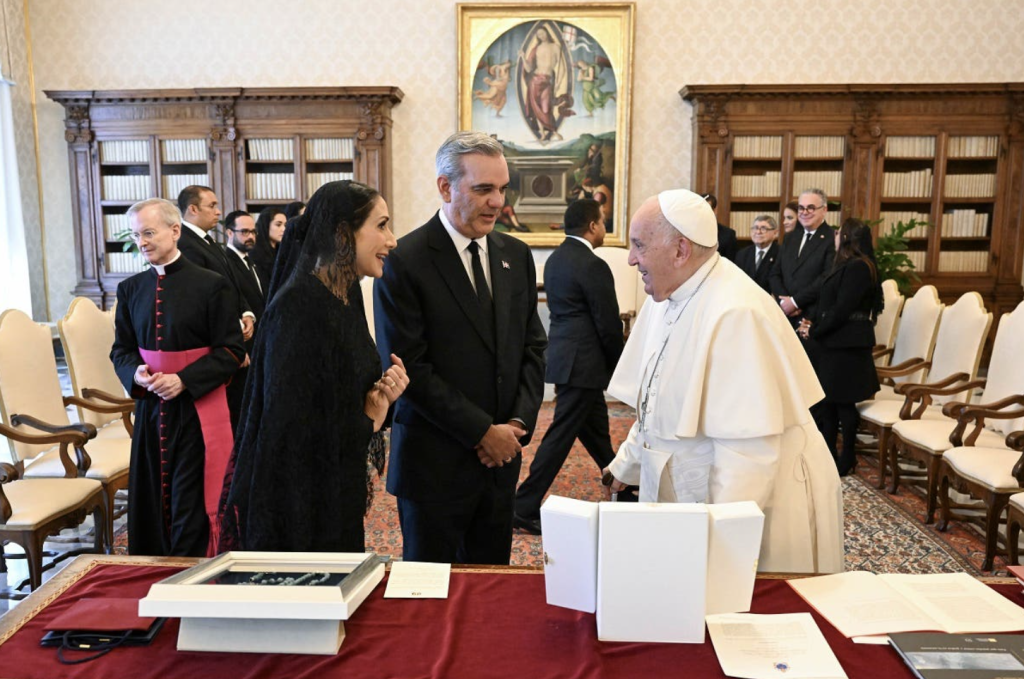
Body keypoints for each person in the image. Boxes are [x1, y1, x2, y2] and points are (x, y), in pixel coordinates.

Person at [602, 189, 843, 574]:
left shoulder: (735, 312)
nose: (631, 259)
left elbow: (748, 457)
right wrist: (628, 463)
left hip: (755, 505)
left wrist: (718, 555)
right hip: (687, 496)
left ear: (680, 250)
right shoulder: (667, 296)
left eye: (639, 246)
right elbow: (656, 401)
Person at [374, 131, 547, 564]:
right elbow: (408, 367)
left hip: (501, 463)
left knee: (491, 592)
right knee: (429, 601)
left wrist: (516, 425)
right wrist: (482, 432)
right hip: (434, 469)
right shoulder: (405, 259)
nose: (497, 202)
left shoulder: (516, 255)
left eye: (502, 188)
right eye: (484, 189)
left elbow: (532, 348)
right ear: (445, 187)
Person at [220, 181, 408, 552]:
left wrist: (384, 397)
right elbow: (291, 430)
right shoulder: (297, 309)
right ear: (342, 232)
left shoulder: (343, 294)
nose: (392, 240)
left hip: (333, 489)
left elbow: (343, 394)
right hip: (297, 509)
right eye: (382, 225)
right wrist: (368, 418)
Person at [111, 198, 245, 557]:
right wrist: (135, 373)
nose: (142, 242)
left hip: (198, 413)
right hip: (152, 414)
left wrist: (184, 379)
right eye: (137, 235)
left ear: (175, 230)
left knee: (191, 499)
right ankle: (155, 572)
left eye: (149, 233)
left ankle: (194, 576)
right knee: (153, 497)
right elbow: (120, 350)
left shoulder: (212, 286)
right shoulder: (130, 290)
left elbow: (232, 351)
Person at [513, 199, 625, 534]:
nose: (603, 229)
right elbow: (607, 323)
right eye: (603, 222)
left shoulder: (556, 260)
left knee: (598, 436)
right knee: (560, 436)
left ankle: (625, 486)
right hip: (585, 364)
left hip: (566, 359)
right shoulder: (593, 264)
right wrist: (620, 364)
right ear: (592, 225)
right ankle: (524, 505)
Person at [799, 219, 882, 477]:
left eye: (838, 232)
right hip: (835, 343)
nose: (834, 235)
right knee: (828, 405)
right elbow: (830, 305)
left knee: (843, 405)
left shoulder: (859, 267)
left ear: (846, 237)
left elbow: (843, 309)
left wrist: (814, 330)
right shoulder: (845, 265)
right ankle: (828, 456)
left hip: (848, 345)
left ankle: (846, 457)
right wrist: (815, 324)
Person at [175, 185, 253, 428]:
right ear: (193, 209)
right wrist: (234, 337)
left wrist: (246, 312)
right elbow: (206, 298)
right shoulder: (186, 244)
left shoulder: (208, 240)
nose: (219, 212)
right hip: (220, 339)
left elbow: (230, 284)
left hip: (235, 327)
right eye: (212, 206)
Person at [769, 189, 836, 328]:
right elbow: (775, 274)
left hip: (812, 317)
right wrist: (785, 303)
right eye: (801, 208)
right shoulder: (790, 238)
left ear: (824, 210)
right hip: (784, 315)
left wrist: (795, 302)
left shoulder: (832, 239)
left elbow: (827, 277)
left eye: (811, 208)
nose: (804, 212)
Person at [734, 214, 779, 292]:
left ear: (775, 233)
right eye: (755, 228)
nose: (758, 232)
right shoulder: (742, 254)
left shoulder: (781, 253)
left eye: (763, 228)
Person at [249, 207, 288, 291]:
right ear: (266, 225)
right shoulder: (255, 253)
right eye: (278, 225)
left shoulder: (282, 250)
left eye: (285, 225)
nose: (284, 229)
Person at [700, 193, 738, 262]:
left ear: (715, 211)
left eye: (707, 209)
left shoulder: (728, 235)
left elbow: (731, 263)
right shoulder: (689, 232)